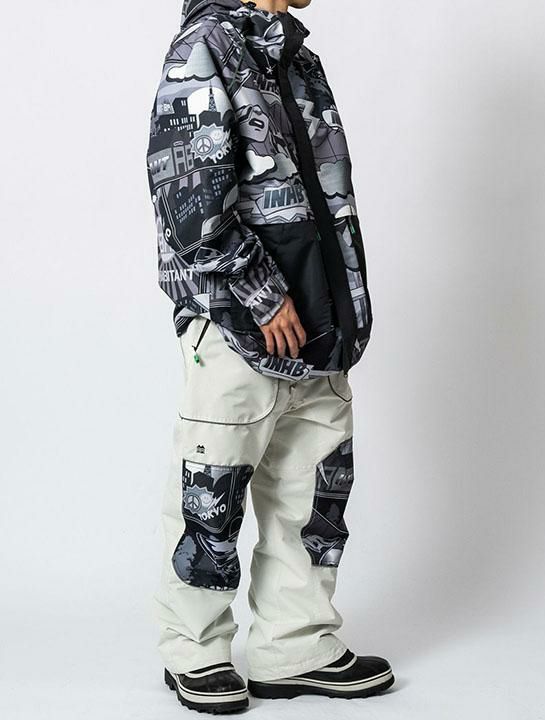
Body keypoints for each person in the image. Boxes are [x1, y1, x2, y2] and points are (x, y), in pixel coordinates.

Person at [145, 0, 394, 712]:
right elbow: (187, 200)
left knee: (312, 499)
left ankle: (296, 648)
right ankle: (195, 651)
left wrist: (339, 311)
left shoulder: (295, 56)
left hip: (319, 327)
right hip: (238, 326)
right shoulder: (203, 48)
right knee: (211, 494)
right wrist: (261, 294)